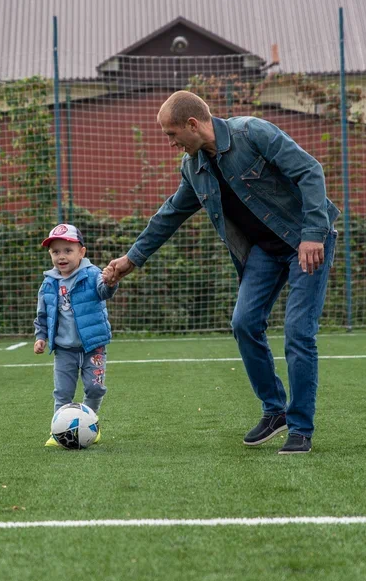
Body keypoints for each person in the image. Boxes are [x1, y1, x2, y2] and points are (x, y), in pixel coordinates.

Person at [102, 91, 339, 455]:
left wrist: (311, 234)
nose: (170, 143)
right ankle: (275, 411)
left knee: (297, 332)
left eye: (171, 134)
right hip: (263, 252)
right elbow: (169, 215)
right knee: (243, 323)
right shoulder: (193, 168)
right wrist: (130, 260)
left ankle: (301, 429)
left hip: (306, 242)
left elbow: (310, 171)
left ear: (192, 125)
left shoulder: (253, 133)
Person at [33, 223, 116, 447]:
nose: (61, 256)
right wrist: (41, 336)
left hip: (93, 346)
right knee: (62, 392)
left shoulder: (92, 274)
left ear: (82, 252)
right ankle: (58, 431)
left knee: (95, 387)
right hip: (64, 349)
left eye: (68, 251)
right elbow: (43, 314)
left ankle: (91, 425)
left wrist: (110, 281)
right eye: (55, 251)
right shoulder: (48, 283)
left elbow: (103, 291)